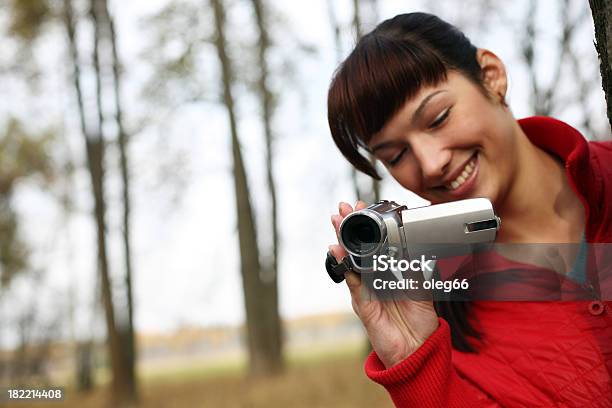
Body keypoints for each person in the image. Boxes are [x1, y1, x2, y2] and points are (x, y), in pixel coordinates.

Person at [326, 12, 612, 407]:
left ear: (492, 76)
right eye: (396, 155)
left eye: (438, 118)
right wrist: (417, 363)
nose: (430, 164)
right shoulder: (440, 309)